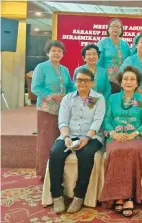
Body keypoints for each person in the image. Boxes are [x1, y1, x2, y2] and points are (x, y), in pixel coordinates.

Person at [49, 68, 105, 214]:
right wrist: (66, 137)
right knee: (55, 154)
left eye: (86, 80)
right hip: (69, 135)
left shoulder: (97, 98)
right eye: (79, 80)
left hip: (91, 136)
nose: (82, 83)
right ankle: (57, 195)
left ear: (92, 82)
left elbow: (97, 120)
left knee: (86, 155)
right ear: (75, 82)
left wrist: (87, 138)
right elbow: (63, 120)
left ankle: (79, 196)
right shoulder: (68, 98)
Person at [99, 66, 142, 218]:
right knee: (116, 151)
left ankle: (128, 196)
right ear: (121, 83)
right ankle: (118, 195)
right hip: (115, 136)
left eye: (132, 79)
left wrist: (134, 134)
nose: (128, 82)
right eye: (125, 79)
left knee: (133, 151)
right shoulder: (113, 98)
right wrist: (114, 133)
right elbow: (107, 119)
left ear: (137, 84)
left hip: (135, 136)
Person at [31, 40, 75, 179]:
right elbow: (35, 88)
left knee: (59, 139)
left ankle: (57, 173)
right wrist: (51, 96)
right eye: (53, 51)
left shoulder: (65, 69)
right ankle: (44, 173)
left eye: (59, 51)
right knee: (46, 140)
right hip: (46, 109)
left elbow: (69, 86)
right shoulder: (41, 67)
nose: (56, 53)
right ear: (47, 52)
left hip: (62, 109)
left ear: (63, 54)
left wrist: (71, 94)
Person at [97, 18, 130, 93]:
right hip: (107, 80)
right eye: (113, 26)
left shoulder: (125, 45)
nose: (115, 28)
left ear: (121, 30)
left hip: (122, 81)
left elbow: (128, 63)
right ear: (108, 29)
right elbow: (98, 63)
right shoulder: (102, 43)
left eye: (118, 26)